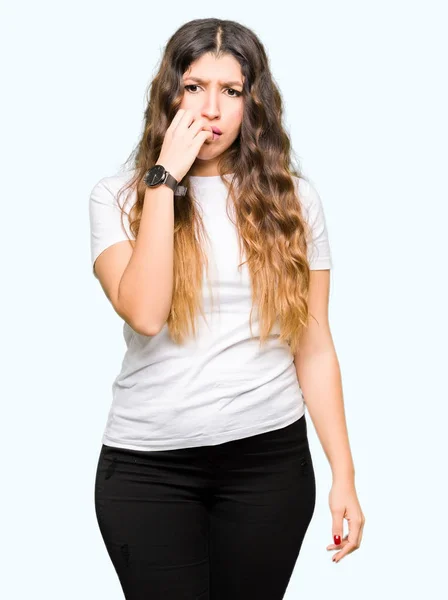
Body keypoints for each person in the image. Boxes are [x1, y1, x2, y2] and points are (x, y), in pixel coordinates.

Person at [89, 17, 365, 600]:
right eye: (194, 87)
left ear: (252, 102)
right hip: (148, 468)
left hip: (268, 465)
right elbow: (144, 312)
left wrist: (345, 473)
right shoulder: (117, 197)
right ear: (169, 94)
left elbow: (314, 348)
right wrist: (164, 181)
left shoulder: (293, 200)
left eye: (231, 91)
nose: (211, 110)